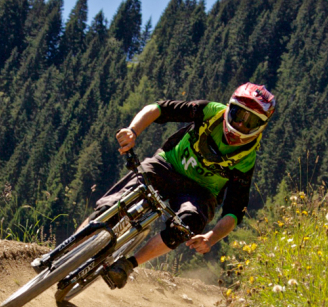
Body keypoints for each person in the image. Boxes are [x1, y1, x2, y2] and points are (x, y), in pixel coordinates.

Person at [91, 83, 276, 288]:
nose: (241, 124)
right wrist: (133, 131)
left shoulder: (246, 159)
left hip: (200, 193)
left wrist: (211, 237)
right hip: (167, 165)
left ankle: (127, 265)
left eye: (250, 122)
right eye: (238, 114)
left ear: (262, 125)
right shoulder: (209, 111)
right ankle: (85, 233)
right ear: (229, 107)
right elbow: (160, 108)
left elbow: (234, 210)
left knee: (187, 224)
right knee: (116, 202)